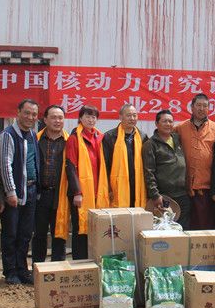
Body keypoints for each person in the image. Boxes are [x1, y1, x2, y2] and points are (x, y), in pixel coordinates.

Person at [0, 99, 41, 285]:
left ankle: (22, 269)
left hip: (31, 190)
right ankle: (10, 271)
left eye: (34, 114)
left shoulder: (32, 135)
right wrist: (10, 191)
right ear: (18, 112)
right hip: (15, 192)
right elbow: (5, 165)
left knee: (25, 234)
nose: (30, 117)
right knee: (11, 233)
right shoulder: (8, 135)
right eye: (27, 113)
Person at [65, 105, 109, 259]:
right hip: (81, 193)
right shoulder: (74, 138)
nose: (91, 120)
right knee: (80, 229)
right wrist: (77, 192)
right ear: (80, 118)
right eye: (87, 116)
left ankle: (93, 260)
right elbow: (71, 167)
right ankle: (80, 262)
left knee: (96, 228)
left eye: (94, 117)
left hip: (97, 191)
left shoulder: (99, 137)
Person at [175, 94, 215, 229]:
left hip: (206, 187)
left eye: (205, 106)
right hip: (183, 185)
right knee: (183, 225)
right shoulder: (180, 128)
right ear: (192, 107)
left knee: (204, 226)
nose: (201, 108)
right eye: (198, 105)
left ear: (209, 108)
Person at [143, 109, 191, 229]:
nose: (168, 124)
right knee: (166, 228)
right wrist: (155, 195)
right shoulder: (150, 144)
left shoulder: (178, 139)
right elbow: (149, 172)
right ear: (156, 123)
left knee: (183, 228)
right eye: (164, 121)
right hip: (164, 196)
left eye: (170, 121)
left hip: (183, 194)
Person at [33, 105, 69, 262]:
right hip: (40, 194)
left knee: (59, 234)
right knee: (39, 234)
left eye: (60, 118)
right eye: (53, 117)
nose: (57, 121)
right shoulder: (36, 139)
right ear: (45, 120)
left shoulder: (70, 141)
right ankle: (38, 268)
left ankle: (58, 268)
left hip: (61, 194)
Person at [103, 104, 148, 208]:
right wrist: (108, 187)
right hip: (118, 184)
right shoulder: (109, 137)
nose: (132, 118)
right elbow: (105, 164)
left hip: (137, 183)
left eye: (134, 115)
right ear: (120, 117)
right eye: (128, 115)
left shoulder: (143, 136)